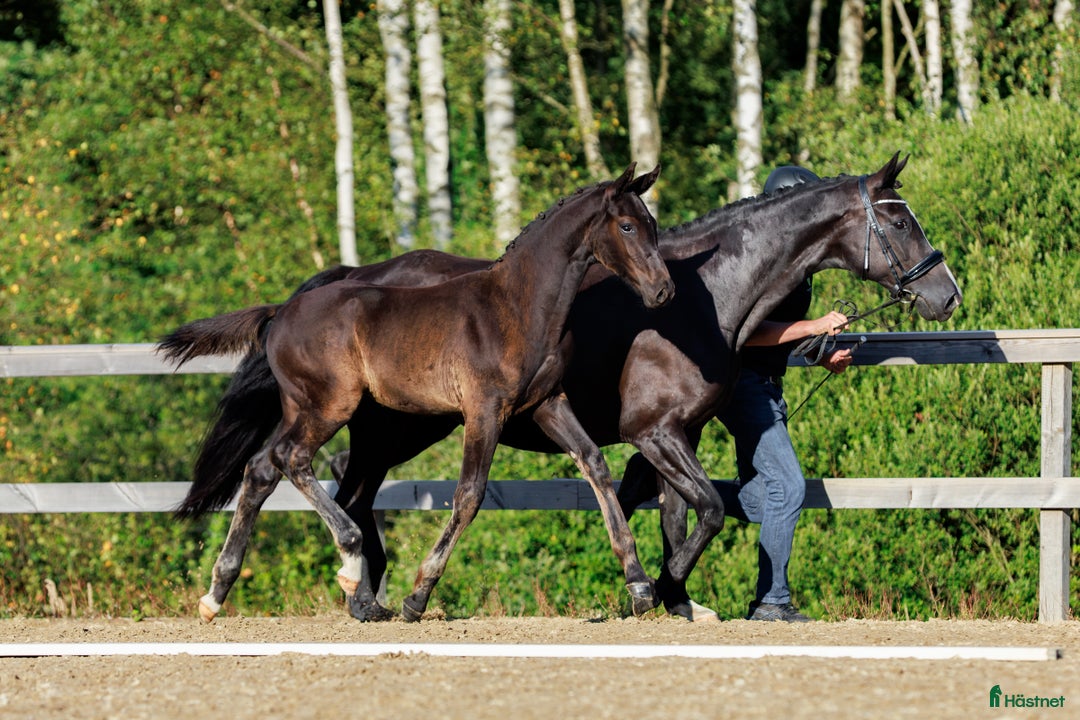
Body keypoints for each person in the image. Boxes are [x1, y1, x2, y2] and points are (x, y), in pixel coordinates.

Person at [715, 165, 853, 621]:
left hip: (768, 389)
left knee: (759, 501)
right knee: (789, 487)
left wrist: (820, 354)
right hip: (742, 387)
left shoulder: (798, 268)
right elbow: (744, 334)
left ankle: (679, 487)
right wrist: (816, 326)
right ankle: (770, 603)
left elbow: (785, 333)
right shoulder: (765, 264)